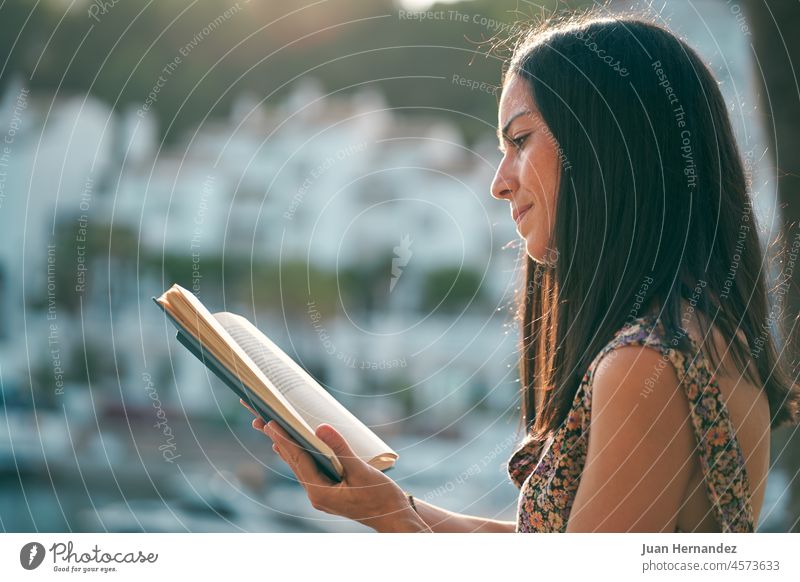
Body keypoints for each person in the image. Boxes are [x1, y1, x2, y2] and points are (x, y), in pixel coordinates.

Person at [245, 13, 800, 532]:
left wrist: (399, 523)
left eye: (520, 140)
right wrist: (391, 508)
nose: (499, 181)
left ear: (605, 143)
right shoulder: (706, 336)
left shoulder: (644, 366)